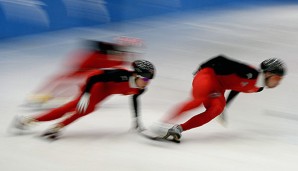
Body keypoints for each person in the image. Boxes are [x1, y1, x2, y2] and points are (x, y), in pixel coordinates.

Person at [12, 59, 155, 140]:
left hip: (106, 91)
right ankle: (29, 121)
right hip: (95, 84)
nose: (146, 82)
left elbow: (135, 100)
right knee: (78, 106)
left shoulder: (140, 88)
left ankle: (54, 125)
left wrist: (137, 120)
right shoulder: (120, 75)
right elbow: (95, 77)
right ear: (135, 74)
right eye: (144, 78)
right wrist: (86, 94)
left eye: (149, 79)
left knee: (86, 109)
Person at [157, 55, 286, 142]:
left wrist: (226, 106)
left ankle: (177, 129)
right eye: (277, 78)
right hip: (207, 75)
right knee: (197, 101)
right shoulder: (249, 73)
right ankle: (163, 124)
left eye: (280, 80)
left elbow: (238, 87)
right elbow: (221, 59)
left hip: (218, 88)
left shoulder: (258, 87)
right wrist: (201, 67)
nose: (278, 83)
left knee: (217, 108)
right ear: (268, 73)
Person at [25, 40, 138, 109]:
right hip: (83, 70)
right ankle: (46, 95)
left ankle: (50, 95)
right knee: (64, 81)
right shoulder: (96, 56)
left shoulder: (109, 58)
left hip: (87, 71)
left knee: (67, 82)